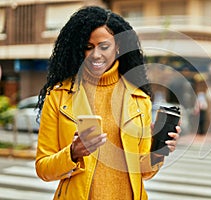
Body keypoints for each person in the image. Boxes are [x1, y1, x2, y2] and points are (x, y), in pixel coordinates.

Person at [35, 6, 181, 200]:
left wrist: (158, 152)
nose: (96, 54)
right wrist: (72, 152)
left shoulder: (139, 100)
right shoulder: (59, 96)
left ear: (118, 46)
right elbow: (43, 168)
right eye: (88, 47)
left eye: (104, 46)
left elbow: (144, 173)